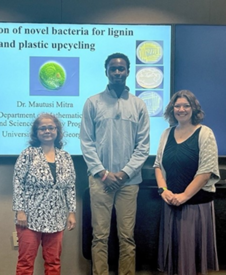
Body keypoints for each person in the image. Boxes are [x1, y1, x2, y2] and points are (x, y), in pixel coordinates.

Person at [80, 52, 150, 275]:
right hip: (100, 181)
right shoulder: (92, 102)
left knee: (127, 237)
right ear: (106, 72)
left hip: (128, 183)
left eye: (121, 69)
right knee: (99, 236)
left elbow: (143, 146)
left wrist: (124, 174)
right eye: (113, 69)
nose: (117, 73)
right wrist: (103, 173)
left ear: (128, 71)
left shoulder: (139, 105)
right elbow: (86, 142)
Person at [154, 90, 220, 275]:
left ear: (193, 109)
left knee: (190, 261)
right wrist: (163, 190)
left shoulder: (205, 133)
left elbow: (205, 172)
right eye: (177, 106)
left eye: (186, 105)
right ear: (172, 109)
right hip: (171, 204)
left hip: (195, 205)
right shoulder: (166, 133)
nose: (181, 109)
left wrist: (184, 196)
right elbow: (158, 165)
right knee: (173, 262)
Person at [12, 113, 76, 275]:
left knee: (53, 262)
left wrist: (71, 212)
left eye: (51, 128)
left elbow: (70, 187)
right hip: (29, 217)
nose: (47, 131)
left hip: (56, 217)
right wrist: (20, 211)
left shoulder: (66, 157)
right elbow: (18, 182)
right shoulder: (28, 154)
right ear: (36, 132)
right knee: (25, 262)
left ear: (57, 131)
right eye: (43, 128)